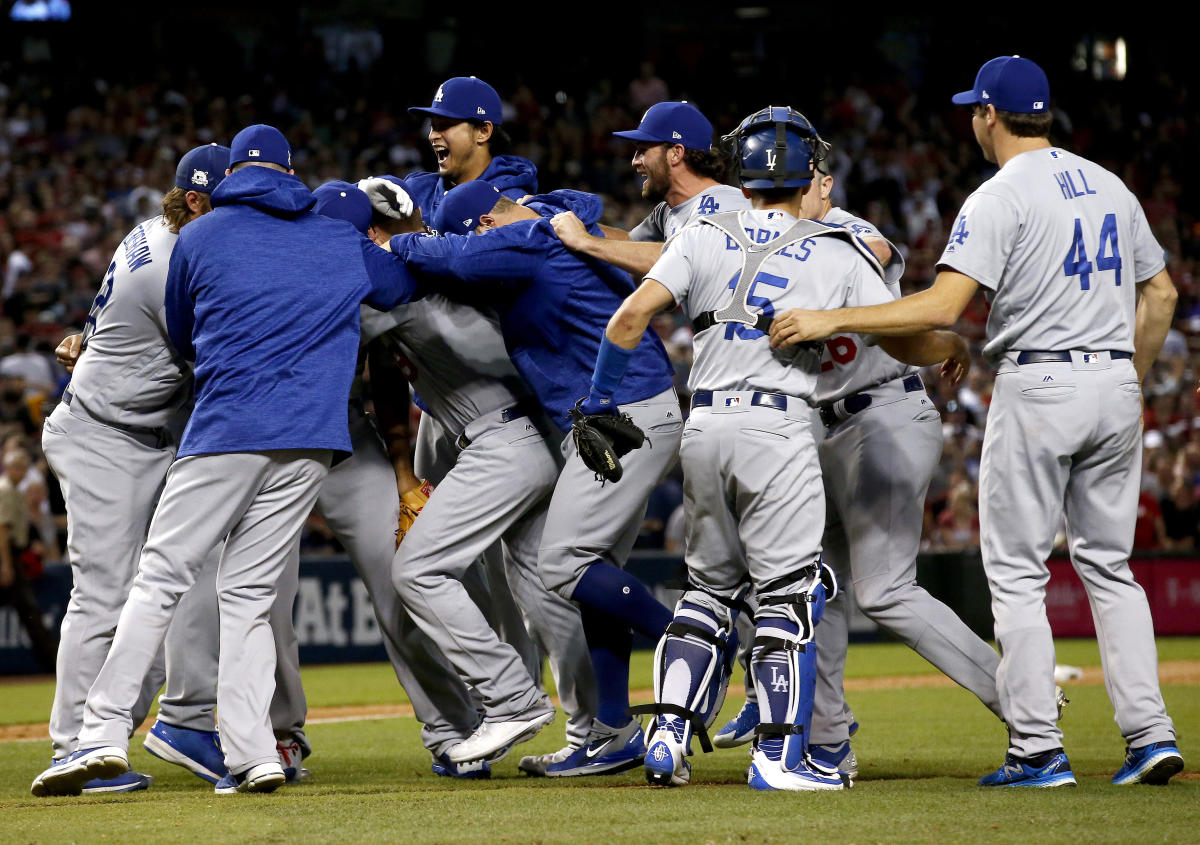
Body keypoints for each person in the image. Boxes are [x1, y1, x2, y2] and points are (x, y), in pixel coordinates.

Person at [769, 56, 1183, 788]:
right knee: (1111, 570)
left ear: (990, 114)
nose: (971, 121)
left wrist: (832, 316)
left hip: (1042, 380)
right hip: (1114, 378)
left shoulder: (999, 195)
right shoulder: (1113, 186)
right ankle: (1150, 736)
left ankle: (1036, 749)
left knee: (1018, 574)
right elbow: (1162, 294)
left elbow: (939, 310)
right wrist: (1132, 382)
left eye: (974, 110)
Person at [586, 106, 970, 791]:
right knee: (791, 595)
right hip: (779, 425)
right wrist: (951, 345)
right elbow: (906, 341)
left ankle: (668, 737)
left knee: (706, 590)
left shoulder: (702, 230)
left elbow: (628, 318)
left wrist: (599, 402)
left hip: (703, 427)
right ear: (808, 175)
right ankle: (778, 759)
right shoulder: (834, 246)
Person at [31, 124, 420, 798]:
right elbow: (398, 284)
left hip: (222, 430)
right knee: (247, 595)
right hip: (297, 441)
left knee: (159, 579)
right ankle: (252, 753)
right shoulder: (330, 236)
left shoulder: (203, 237)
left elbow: (188, 337)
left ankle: (99, 735)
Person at [712, 125, 1005, 776]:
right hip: (819, 429)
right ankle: (829, 741)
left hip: (882, 411)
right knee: (815, 585)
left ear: (821, 180)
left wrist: (947, 341)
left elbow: (893, 305)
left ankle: (1023, 699)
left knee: (883, 588)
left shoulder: (853, 236)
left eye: (797, 173)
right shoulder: (763, 236)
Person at [386, 181, 683, 777]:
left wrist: (401, 244)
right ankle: (611, 729)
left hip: (621, 413)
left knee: (564, 565)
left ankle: (694, 640)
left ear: (483, 227)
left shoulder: (530, 235)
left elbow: (455, 255)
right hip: (606, 416)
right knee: (589, 580)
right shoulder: (549, 226)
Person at [36, 145, 229, 795]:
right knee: (104, 593)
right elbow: (215, 364)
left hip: (136, 432)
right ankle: (72, 745)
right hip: (104, 439)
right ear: (198, 202)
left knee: (162, 588)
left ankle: (119, 729)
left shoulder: (157, 232)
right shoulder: (173, 265)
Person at [550, 101, 748, 276]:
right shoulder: (667, 211)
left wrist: (585, 241)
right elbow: (629, 242)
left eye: (643, 150)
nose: (635, 161)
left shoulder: (730, 207)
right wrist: (554, 218)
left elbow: (680, 261)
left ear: (676, 153)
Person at [404, 76, 537, 222]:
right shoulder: (416, 191)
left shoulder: (513, 205)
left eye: (445, 125)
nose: (432, 136)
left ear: (483, 132)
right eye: (433, 126)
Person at [0, 447, 58, 671]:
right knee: (29, 610)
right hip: (7, 555)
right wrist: (6, 565)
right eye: (17, 467)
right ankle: (52, 663)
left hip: (15, 553)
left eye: (24, 468)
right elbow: (2, 531)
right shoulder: (5, 489)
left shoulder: (15, 490)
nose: (21, 472)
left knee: (29, 611)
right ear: (7, 467)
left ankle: (51, 661)